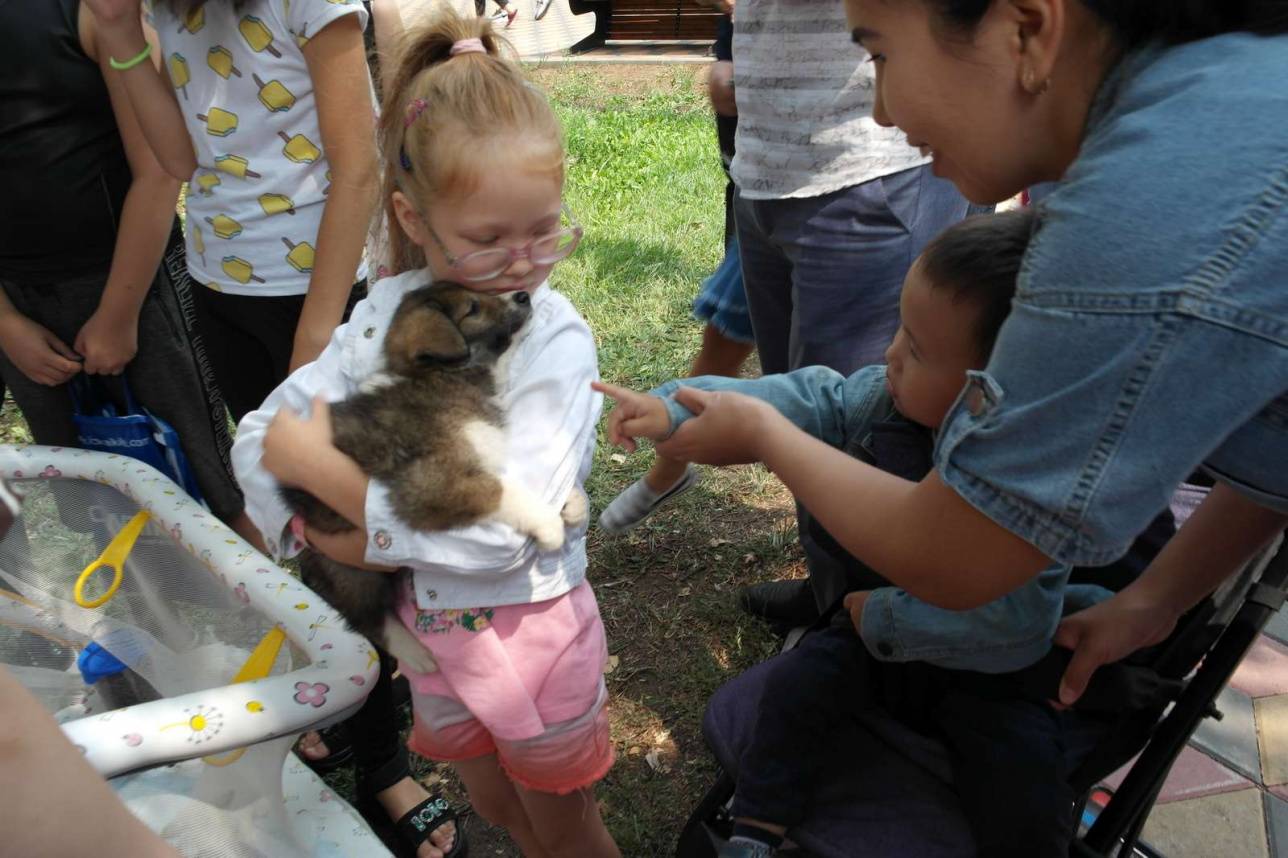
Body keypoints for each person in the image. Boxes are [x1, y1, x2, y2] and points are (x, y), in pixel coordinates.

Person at [623, 0, 1288, 711]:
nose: (879, 112)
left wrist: (764, 435)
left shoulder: (1155, 198)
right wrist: (1156, 599)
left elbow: (960, 557)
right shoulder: (1204, 109)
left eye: (879, 55)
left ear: (1026, 28)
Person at [597, 210, 1175, 856]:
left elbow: (1013, 623)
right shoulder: (887, 402)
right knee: (794, 688)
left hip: (986, 672)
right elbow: (813, 399)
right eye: (901, 329)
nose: (890, 353)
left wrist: (880, 615)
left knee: (1021, 781)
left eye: (918, 350)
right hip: (874, 643)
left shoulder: (1034, 493)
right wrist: (679, 406)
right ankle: (756, 827)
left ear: (992, 395)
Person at [232, 10, 620, 858]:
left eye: (544, 229)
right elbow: (262, 432)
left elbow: (497, 541)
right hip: (438, 651)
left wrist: (338, 498)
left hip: (533, 642)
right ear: (411, 217)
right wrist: (302, 511)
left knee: (566, 825)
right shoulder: (376, 319)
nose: (522, 262)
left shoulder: (554, 343)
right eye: (487, 239)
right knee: (494, 800)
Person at [722, 0, 980, 629]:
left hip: (872, 168)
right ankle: (833, 592)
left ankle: (864, 627)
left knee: (869, 429)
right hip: (768, 166)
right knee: (811, 407)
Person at [0, 0, 254, 543]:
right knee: (89, 498)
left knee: (209, 479)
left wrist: (118, 315)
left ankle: (261, 619)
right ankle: (140, 624)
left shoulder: (93, 13)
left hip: (135, 288)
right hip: (19, 307)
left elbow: (161, 170)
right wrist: (4, 322)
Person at [86, 0, 379, 421]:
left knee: (331, 471)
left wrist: (314, 341)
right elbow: (182, 160)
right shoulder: (175, 8)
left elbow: (358, 172)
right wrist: (119, 31)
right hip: (215, 281)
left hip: (312, 289)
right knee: (265, 464)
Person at [598, 11, 756, 534]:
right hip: (757, 193)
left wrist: (734, 81)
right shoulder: (745, 15)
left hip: (821, 197)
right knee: (725, 337)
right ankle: (669, 470)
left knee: (785, 353)